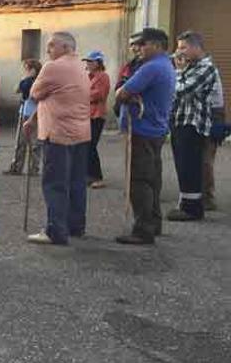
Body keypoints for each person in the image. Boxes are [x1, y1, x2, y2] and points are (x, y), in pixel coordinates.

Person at [24, 32, 91, 246]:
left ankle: (55, 231)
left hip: (58, 132)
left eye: (52, 45)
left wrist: (33, 117)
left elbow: (35, 93)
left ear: (65, 46)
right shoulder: (81, 67)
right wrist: (34, 119)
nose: (47, 50)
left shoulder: (53, 67)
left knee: (55, 183)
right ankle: (75, 226)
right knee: (76, 182)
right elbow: (55, 97)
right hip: (81, 132)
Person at [114, 28, 176, 245]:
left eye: (143, 44)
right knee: (152, 179)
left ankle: (142, 230)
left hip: (142, 130)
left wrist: (123, 95)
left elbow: (122, 92)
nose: (138, 49)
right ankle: (154, 222)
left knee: (139, 181)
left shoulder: (151, 68)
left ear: (157, 45)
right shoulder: (166, 64)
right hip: (155, 129)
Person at [168, 31, 220, 222]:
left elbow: (182, 90)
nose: (177, 52)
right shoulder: (190, 66)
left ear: (196, 47)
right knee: (182, 165)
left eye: (183, 47)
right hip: (180, 121)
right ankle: (186, 204)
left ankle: (192, 209)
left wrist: (178, 71)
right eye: (177, 47)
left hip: (193, 123)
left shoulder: (206, 68)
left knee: (190, 166)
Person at [5, 59, 43, 176]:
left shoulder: (39, 81)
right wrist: (24, 78)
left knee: (35, 143)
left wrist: (27, 81)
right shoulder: (26, 81)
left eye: (27, 69)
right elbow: (16, 90)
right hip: (24, 112)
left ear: (33, 70)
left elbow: (33, 95)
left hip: (34, 114)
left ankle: (33, 168)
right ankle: (16, 166)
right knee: (20, 142)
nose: (25, 71)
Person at [83, 51, 111, 189]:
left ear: (98, 63)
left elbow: (99, 94)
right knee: (85, 145)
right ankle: (88, 174)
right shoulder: (88, 77)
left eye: (90, 61)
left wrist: (83, 94)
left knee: (91, 146)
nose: (87, 64)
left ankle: (97, 176)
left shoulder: (103, 77)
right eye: (87, 61)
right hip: (87, 114)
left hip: (97, 115)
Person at [203, 72, 225, 211]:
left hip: (212, 116)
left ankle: (207, 197)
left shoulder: (207, 70)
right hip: (209, 115)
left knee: (206, 159)